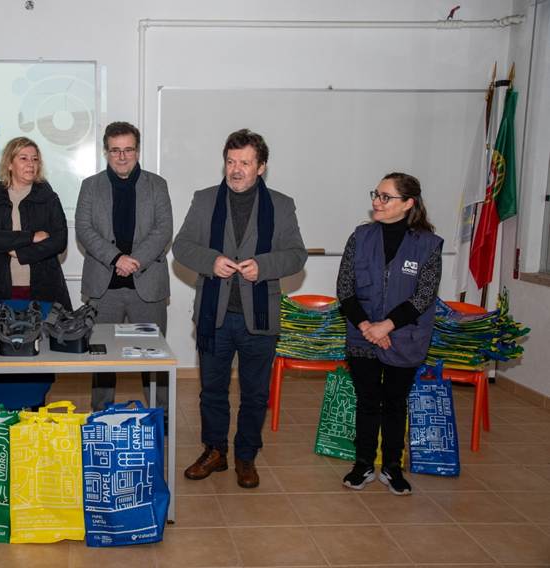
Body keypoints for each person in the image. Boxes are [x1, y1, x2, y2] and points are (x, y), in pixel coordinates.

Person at [173, 129, 307, 488]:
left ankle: (246, 457)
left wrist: (264, 265)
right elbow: (182, 246)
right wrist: (210, 261)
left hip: (259, 319)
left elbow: (296, 255)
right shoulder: (204, 200)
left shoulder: (281, 205)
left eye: (245, 163)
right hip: (214, 316)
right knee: (212, 391)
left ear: (261, 167)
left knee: (255, 394)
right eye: (231, 162)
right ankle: (214, 451)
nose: (235, 169)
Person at [337, 172, 442, 496]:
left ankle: (393, 467)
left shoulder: (428, 245)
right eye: (376, 194)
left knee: (395, 403)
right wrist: (368, 327)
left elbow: (424, 296)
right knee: (368, 401)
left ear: (408, 203)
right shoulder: (360, 237)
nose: (376, 202)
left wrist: (387, 326)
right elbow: (345, 289)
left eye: (385, 197)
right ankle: (363, 463)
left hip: (405, 337)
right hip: (362, 335)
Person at [75, 122, 173, 412]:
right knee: (102, 360)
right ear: (106, 151)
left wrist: (134, 261)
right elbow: (84, 229)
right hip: (103, 289)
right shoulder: (90, 186)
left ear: (137, 151)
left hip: (148, 287)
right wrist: (117, 258)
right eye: (115, 150)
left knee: (154, 360)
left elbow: (163, 230)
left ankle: (160, 418)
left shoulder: (157, 185)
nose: (122, 156)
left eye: (128, 149)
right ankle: (102, 416)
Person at [0, 136, 71, 308]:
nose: (31, 164)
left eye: (35, 159)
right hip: (0, 286)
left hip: (43, 287)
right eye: (23, 158)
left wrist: (20, 253)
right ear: (9, 164)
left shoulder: (48, 196)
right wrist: (31, 236)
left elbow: (59, 241)